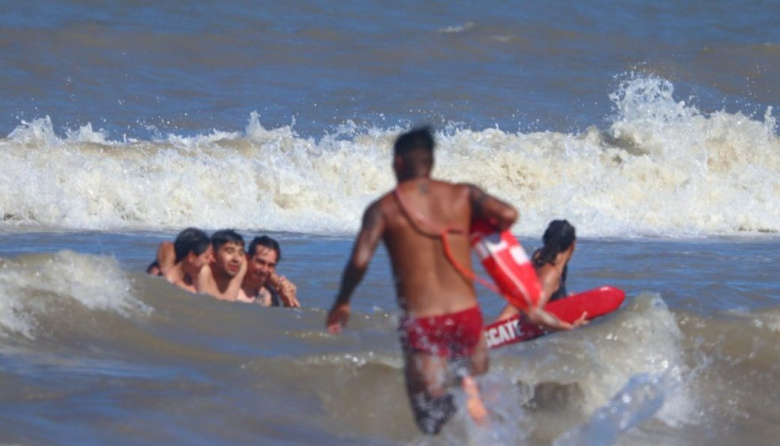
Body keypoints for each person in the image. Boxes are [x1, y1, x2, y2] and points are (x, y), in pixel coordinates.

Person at [325, 126, 518, 435]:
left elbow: (360, 260)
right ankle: (468, 390)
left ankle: (456, 400)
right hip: (466, 315)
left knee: (429, 418)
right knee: (479, 402)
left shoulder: (383, 208)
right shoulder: (464, 195)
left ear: (398, 162)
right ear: (431, 161)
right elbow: (508, 214)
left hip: (424, 321)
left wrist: (342, 301)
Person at [496, 219, 583, 323]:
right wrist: (569, 326)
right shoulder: (550, 274)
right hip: (522, 318)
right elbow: (532, 314)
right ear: (573, 245)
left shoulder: (540, 257)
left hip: (514, 310)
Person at [239, 235, 300, 307]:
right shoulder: (229, 283)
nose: (264, 270)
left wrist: (287, 302)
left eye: (270, 265)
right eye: (260, 262)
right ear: (248, 258)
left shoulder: (270, 297)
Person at [156, 227, 214, 293]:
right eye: (206, 257)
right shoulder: (170, 283)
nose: (210, 261)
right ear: (191, 256)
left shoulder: (189, 280)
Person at [198, 229, 248, 301]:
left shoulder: (240, 270)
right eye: (230, 251)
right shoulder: (203, 271)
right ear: (213, 255)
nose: (236, 259)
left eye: (240, 253)